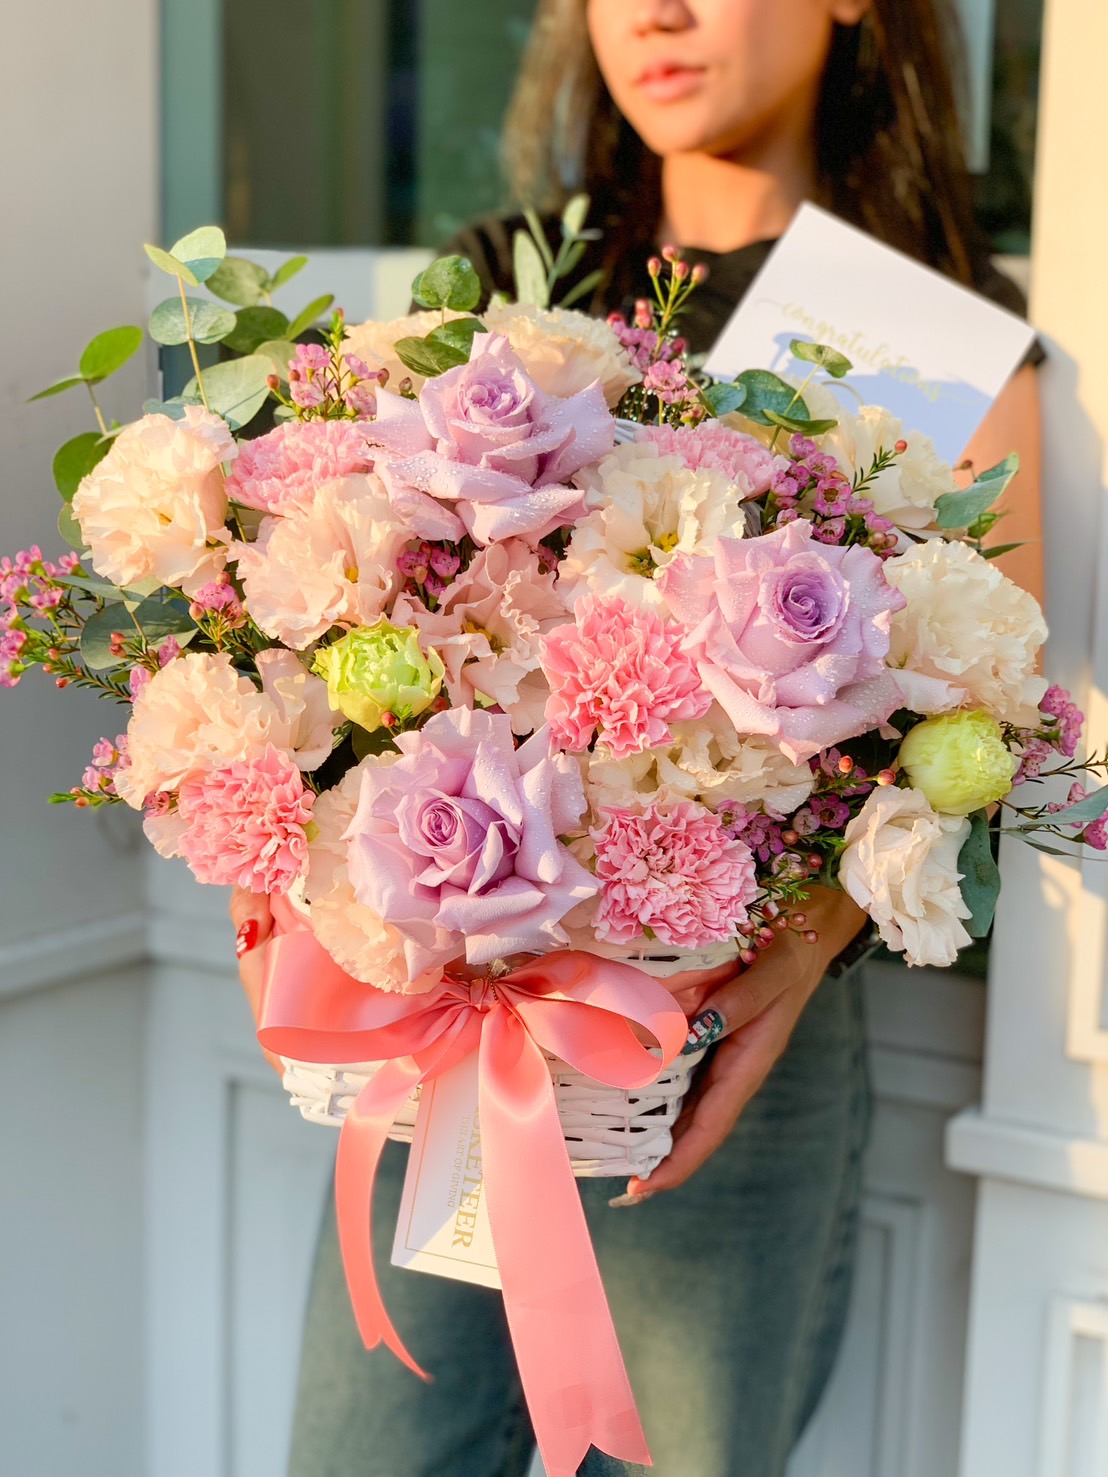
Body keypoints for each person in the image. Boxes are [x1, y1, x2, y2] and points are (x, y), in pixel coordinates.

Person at [232, 2, 1043, 1473]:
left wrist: (791, 962)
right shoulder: (497, 295)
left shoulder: (938, 340)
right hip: (456, 1034)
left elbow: (981, 723)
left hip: (732, 1049)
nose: (654, 12)